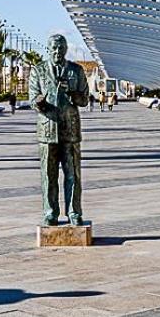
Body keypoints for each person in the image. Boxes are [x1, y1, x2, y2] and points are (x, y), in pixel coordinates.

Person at [30, 33, 91, 226]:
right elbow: (32, 99)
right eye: (54, 48)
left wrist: (72, 94)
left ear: (66, 50)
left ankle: (74, 212)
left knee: (72, 174)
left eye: (61, 48)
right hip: (47, 131)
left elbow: (84, 99)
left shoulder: (76, 71)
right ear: (48, 49)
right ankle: (50, 212)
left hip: (70, 130)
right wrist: (39, 102)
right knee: (48, 175)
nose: (57, 52)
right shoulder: (38, 71)